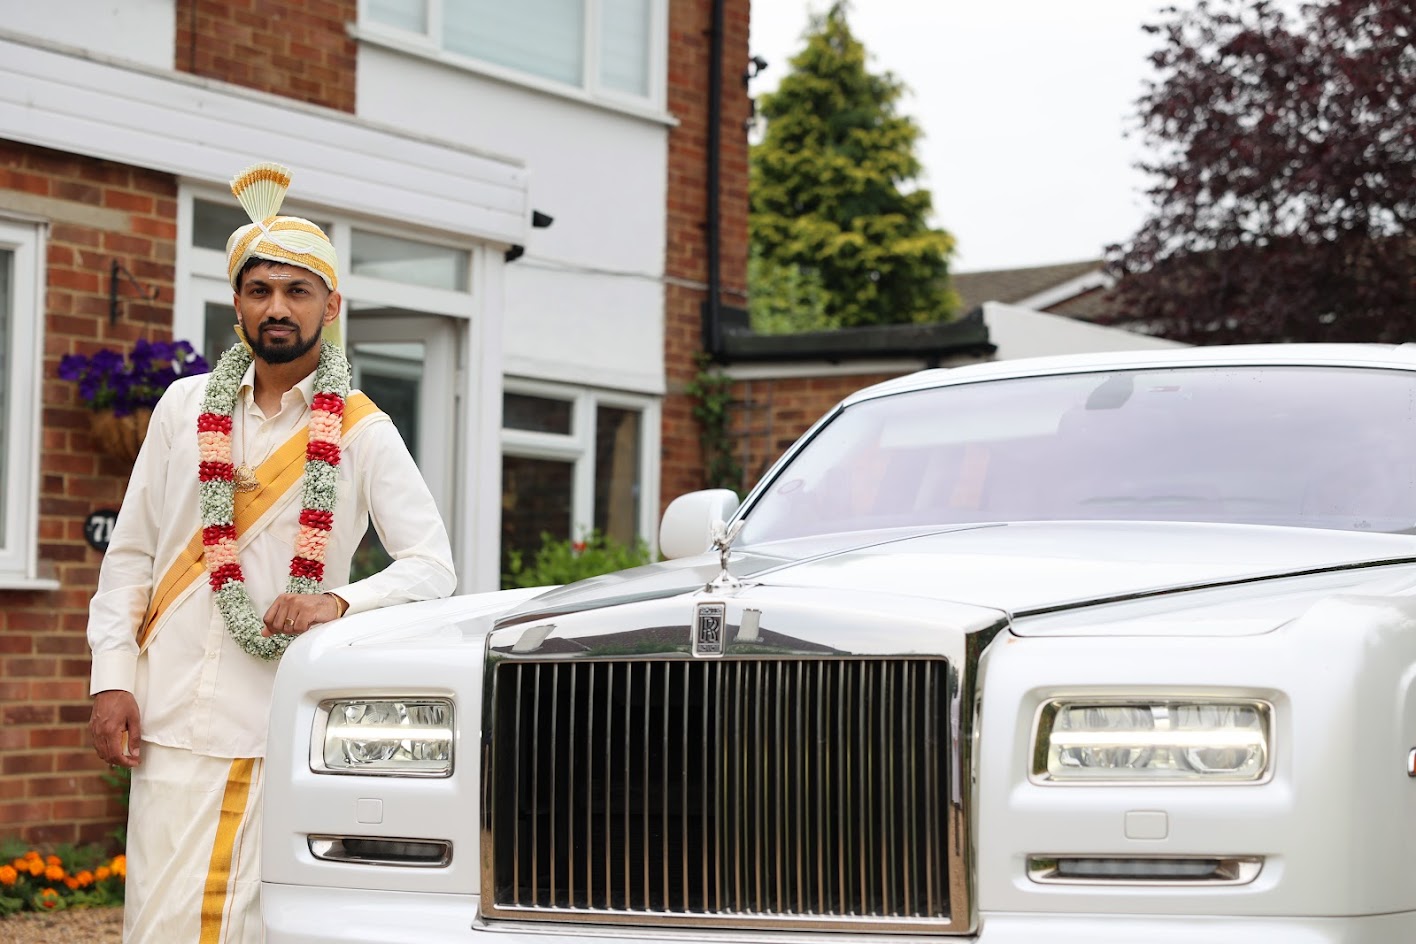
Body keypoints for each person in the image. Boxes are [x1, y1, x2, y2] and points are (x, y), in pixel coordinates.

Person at [86, 161, 457, 943]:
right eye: (261, 291)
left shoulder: (360, 429)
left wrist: (340, 601)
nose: (277, 308)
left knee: (238, 925)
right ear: (237, 306)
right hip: (165, 709)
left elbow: (431, 566)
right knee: (154, 917)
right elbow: (131, 555)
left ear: (332, 305)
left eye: (296, 291)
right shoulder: (183, 407)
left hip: (272, 720)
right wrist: (111, 680)